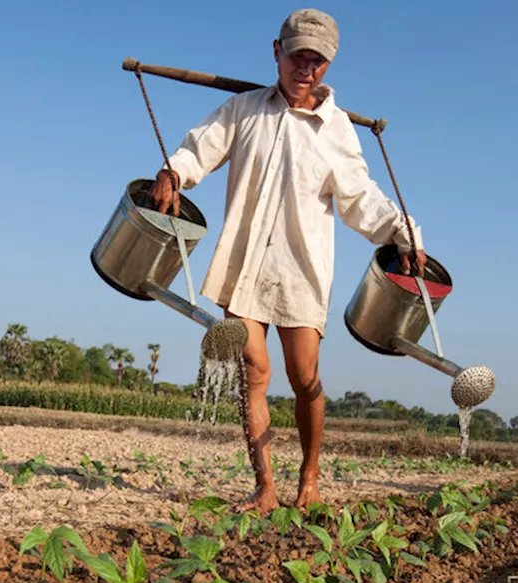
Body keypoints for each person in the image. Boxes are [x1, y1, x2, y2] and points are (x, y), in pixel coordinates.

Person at [149, 9, 427, 513]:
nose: (307, 69)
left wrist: (402, 233)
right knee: (253, 371)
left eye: (317, 61)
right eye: (298, 55)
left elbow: (360, 197)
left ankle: (310, 474)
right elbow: (199, 150)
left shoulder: (337, 130)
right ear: (277, 52)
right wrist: (172, 172)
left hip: (303, 269)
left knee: (305, 378)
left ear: (328, 66)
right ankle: (265, 486)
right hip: (244, 262)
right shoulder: (243, 110)